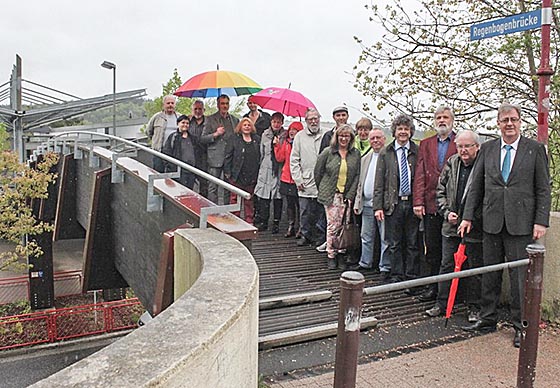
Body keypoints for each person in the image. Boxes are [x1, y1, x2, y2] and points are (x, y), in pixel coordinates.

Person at [459, 103, 551, 348]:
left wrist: (541, 221)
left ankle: (521, 325)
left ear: (520, 122)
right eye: (504, 120)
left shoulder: (534, 150)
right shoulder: (488, 149)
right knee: (490, 272)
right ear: (498, 124)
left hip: (521, 224)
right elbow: (476, 186)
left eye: (513, 119)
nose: (509, 124)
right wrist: (467, 217)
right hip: (491, 222)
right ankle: (487, 319)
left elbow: (543, 188)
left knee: (520, 278)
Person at [425, 130, 483, 321]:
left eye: (467, 146)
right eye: (460, 146)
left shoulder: (483, 165)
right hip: (450, 225)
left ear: (477, 146)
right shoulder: (452, 162)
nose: (463, 150)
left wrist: (472, 217)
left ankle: (474, 308)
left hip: (475, 226)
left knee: (475, 268)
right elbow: (439, 191)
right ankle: (441, 304)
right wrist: (446, 212)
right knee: (446, 265)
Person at [413, 106, 457, 302]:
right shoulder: (426, 143)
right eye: (438, 117)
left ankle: (449, 292)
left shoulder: (460, 142)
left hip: (452, 206)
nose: (441, 120)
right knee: (431, 249)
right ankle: (431, 288)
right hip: (430, 204)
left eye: (445, 117)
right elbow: (420, 174)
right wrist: (418, 202)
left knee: (451, 253)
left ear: (452, 120)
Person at [373, 114, 420, 284]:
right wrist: (378, 207)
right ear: (394, 131)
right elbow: (379, 182)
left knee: (413, 243)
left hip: (412, 203)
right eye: (400, 129)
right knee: (394, 243)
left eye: (406, 129)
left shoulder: (417, 151)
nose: (403, 132)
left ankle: (411, 276)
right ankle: (397, 275)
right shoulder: (386, 152)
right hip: (393, 203)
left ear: (410, 132)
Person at [315, 125, 361, 269]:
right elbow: (318, 172)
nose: (344, 138)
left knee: (344, 225)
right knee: (332, 225)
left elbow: (357, 176)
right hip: (331, 194)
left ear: (351, 138)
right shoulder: (328, 152)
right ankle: (331, 254)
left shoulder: (355, 154)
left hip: (346, 195)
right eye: (341, 136)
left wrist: (351, 194)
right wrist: (324, 189)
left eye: (347, 136)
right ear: (337, 137)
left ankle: (341, 252)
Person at [352, 128, 389, 278]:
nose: (375, 141)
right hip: (366, 204)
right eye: (372, 138)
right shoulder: (365, 158)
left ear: (384, 139)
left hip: (383, 205)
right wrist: (357, 202)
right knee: (366, 235)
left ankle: (384, 267)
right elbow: (360, 182)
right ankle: (365, 263)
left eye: (378, 138)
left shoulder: (388, 156)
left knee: (384, 237)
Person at [316, 105, 350, 252]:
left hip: (346, 189)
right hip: (331, 187)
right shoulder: (328, 136)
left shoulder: (351, 136)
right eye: (338, 115)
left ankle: (341, 247)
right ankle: (330, 248)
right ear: (334, 117)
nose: (341, 118)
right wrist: (323, 186)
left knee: (344, 223)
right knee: (331, 222)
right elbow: (320, 167)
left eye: (343, 115)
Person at [290, 108, 326, 246]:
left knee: (320, 211)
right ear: (306, 121)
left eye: (316, 118)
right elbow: (294, 160)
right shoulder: (299, 136)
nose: (313, 121)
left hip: (322, 181)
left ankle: (319, 236)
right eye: (310, 119)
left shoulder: (326, 135)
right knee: (305, 210)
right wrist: (297, 179)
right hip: (305, 179)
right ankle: (305, 235)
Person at [201, 94, 239, 204]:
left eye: (227, 103)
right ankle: (213, 212)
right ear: (218, 105)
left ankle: (226, 212)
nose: (225, 106)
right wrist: (215, 134)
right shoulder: (210, 119)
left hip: (229, 159)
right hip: (215, 158)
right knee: (213, 187)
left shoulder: (234, 120)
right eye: (222, 103)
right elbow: (203, 138)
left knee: (228, 187)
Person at [223, 118, 261, 224]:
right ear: (240, 126)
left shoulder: (256, 139)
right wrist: (228, 172)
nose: (247, 127)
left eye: (249, 125)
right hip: (237, 174)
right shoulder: (234, 138)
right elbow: (228, 156)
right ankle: (235, 220)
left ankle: (249, 220)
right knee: (234, 199)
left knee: (249, 200)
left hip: (251, 174)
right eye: (244, 125)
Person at [254, 112, 286, 233]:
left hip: (279, 168)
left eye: (278, 122)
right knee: (264, 196)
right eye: (274, 122)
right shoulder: (265, 134)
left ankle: (276, 222)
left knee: (278, 196)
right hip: (266, 166)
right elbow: (262, 152)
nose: (276, 124)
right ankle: (264, 221)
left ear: (282, 123)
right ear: (271, 122)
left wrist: (278, 145)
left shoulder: (285, 135)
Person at [274, 121, 304, 237]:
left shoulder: (301, 144)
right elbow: (280, 158)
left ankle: (301, 227)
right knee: (290, 204)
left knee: (300, 204)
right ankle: (291, 225)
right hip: (286, 177)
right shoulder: (286, 143)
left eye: (295, 130)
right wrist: (276, 146)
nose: (292, 132)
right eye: (291, 129)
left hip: (298, 178)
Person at [161, 114, 197, 189]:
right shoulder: (173, 137)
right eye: (183, 123)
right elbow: (166, 153)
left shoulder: (193, 138)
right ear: (178, 124)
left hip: (191, 171)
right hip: (178, 172)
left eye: (187, 123)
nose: (185, 125)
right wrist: (171, 167)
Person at [146, 95, 179, 173]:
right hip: (159, 152)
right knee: (158, 174)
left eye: (172, 103)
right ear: (164, 105)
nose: (170, 105)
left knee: (173, 177)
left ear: (175, 105)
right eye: (168, 103)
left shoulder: (179, 117)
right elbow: (148, 131)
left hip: (174, 153)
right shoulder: (157, 117)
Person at [188, 100, 209, 197]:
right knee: (190, 181)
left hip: (204, 156)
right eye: (195, 109)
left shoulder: (209, 122)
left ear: (204, 110)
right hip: (191, 155)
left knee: (204, 182)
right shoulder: (188, 122)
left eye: (200, 109)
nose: (197, 111)